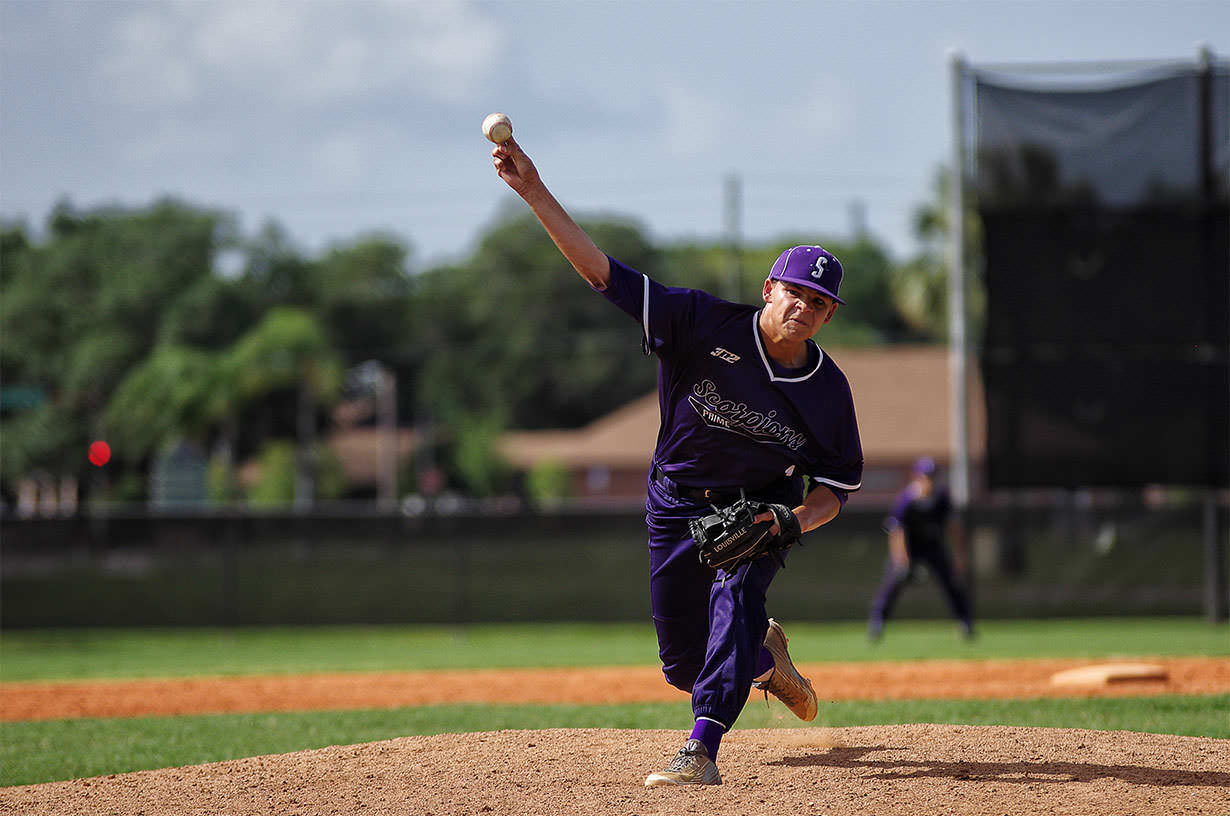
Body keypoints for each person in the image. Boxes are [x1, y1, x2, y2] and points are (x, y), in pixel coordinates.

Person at [490, 133, 863, 787]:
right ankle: (765, 661)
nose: (804, 307)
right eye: (796, 292)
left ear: (829, 316)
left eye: (819, 302)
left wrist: (793, 521)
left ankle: (701, 751)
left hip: (759, 512)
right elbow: (602, 274)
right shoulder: (699, 322)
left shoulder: (828, 391)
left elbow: (836, 486)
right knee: (685, 664)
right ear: (769, 289)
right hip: (676, 500)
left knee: (736, 600)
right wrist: (533, 190)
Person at [867, 457, 974, 641]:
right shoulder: (907, 500)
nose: (929, 480)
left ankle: (965, 623)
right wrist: (901, 559)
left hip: (933, 547)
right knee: (893, 583)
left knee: (951, 582)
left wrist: (959, 555)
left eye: (932, 476)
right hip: (910, 548)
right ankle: (877, 622)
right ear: (917, 477)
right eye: (926, 476)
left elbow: (954, 527)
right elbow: (897, 531)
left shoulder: (942, 499)